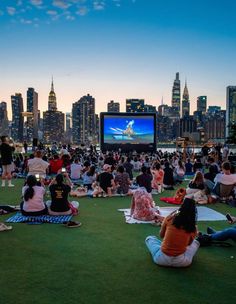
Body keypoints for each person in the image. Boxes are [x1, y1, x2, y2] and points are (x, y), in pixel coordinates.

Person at [145, 198, 199, 267]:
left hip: (161, 259)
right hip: (182, 262)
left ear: (181, 207)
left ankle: (165, 247)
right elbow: (188, 244)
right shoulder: (193, 227)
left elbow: (161, 235)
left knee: (150, 238)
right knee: (196, 242)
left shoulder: (169, 218)